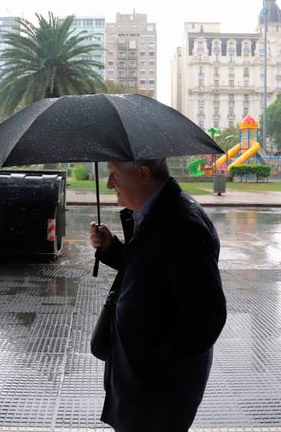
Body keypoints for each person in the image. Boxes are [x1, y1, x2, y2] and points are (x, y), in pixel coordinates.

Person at [89, 158, 227, 432]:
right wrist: (112, 249)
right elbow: (151, 269)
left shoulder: (181, 225)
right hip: (142, 386)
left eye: (114, 175)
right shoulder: (155, 215)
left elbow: (207, 316)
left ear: (142, 173)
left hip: (156, 395)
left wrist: (152, 366)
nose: (108, 183)